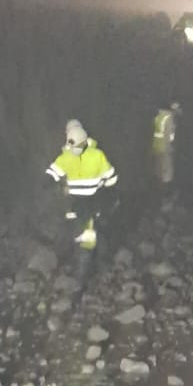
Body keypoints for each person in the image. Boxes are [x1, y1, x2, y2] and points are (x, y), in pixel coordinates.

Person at [46, 119, 118, 288]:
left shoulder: (72, 156)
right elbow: (112, 178)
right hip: (90, 203)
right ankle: (101, 266)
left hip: (83, 204)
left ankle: (82, 276)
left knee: (85, 238)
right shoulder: (93, 155)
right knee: (94, 233)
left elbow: (51, 176)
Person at [152, 101, 181, 194]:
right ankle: (165, 193)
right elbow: (169, 137)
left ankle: (158, 191)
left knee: (158, 171)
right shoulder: (169, 117)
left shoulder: (160, 115)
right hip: (164, 148)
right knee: (166, 174)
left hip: (156, 146)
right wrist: (171, 148)